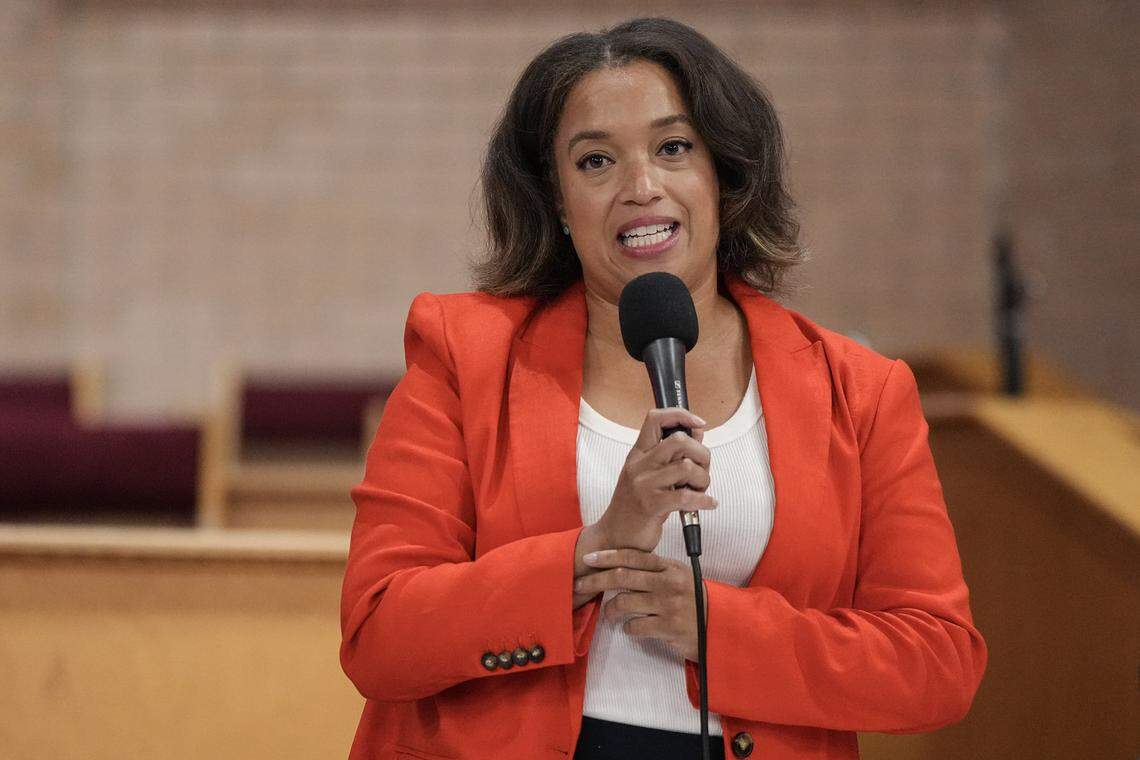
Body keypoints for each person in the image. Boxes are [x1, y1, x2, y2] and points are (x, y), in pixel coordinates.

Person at [339, 16, 987, 760]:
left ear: (723, 172)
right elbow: (379, 633)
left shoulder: (860, 391)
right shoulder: (464, 355)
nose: (641, 188)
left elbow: (937, 662)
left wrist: (720, 630)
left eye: (673, 148)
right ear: (555, 198)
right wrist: (591, 551)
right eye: (595, 162)